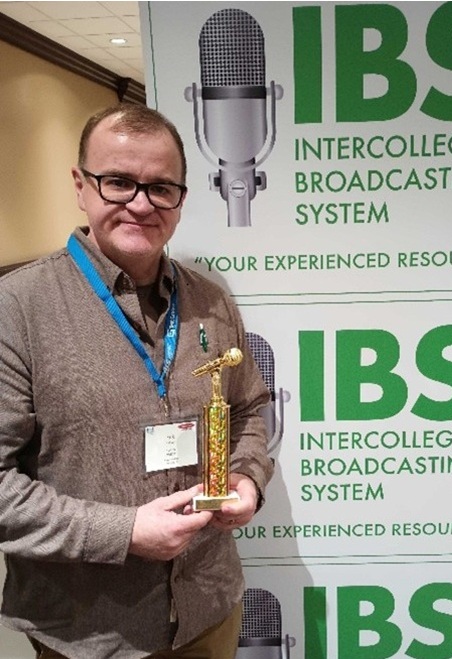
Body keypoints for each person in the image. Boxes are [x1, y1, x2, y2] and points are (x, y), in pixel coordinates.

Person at [0, 103, 273, 658]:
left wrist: (246, 477)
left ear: (181, 198)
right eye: (119, 182)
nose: (141, 204)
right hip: (89, 633)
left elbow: (247, 408)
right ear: (81, 185)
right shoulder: (16, 309)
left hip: (207, 612)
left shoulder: (211, 299)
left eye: (161, 188)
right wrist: (120, 532)